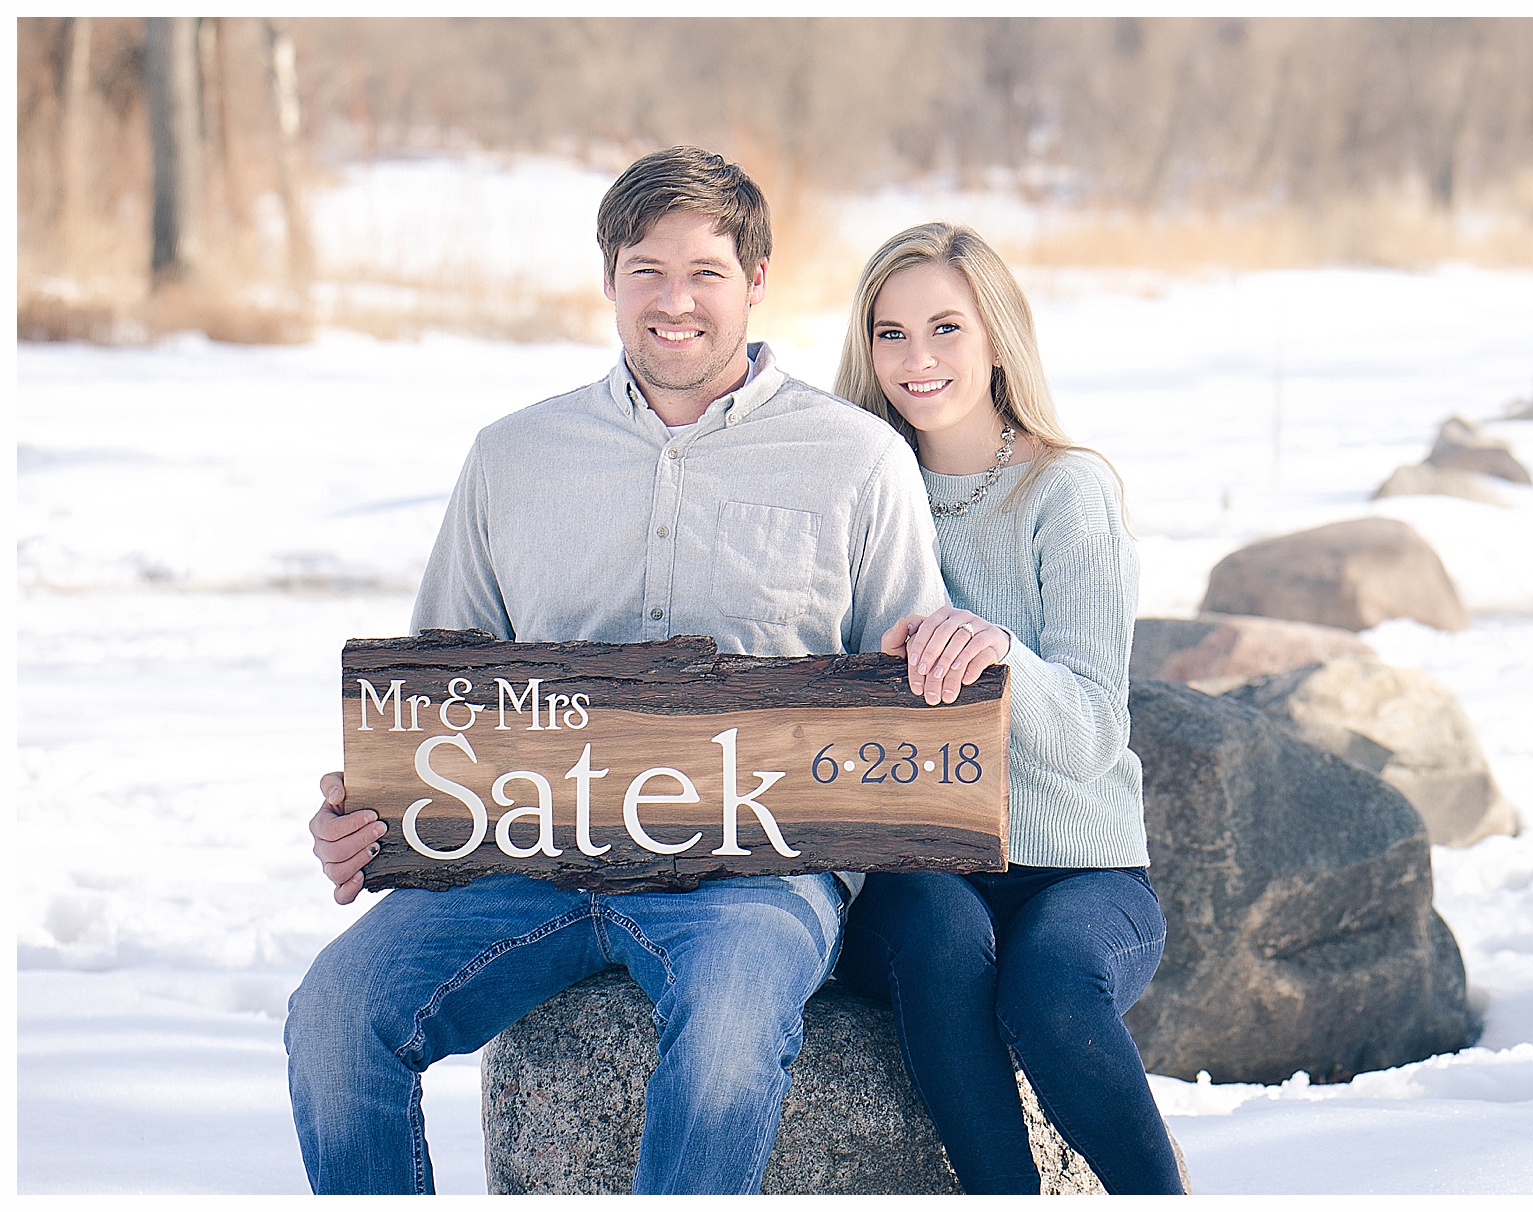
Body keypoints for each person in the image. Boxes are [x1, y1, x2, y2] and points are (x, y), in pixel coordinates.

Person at [287, 147, 948, 1195]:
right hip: (526, 865)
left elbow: (904, 707)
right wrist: (375, 813)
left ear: (757, 282)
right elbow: (439, 698)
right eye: (646, 269)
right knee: (330, 1017)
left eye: (705, 273)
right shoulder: (514, 456)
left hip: (754, 874)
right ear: (608, 278)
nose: (673, 301)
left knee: (731, 1032)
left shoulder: (857, 460)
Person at [831, 223, 1186, 1195]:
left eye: (946, 326)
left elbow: (1090, 739)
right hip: (919, 866)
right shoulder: (850, 487)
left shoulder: (1064, 492)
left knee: (1050, 984)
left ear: (998, 337)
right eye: (890, 332)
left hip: (1078, 868)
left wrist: (1000, 656)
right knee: (943, 932)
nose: (918, 358)